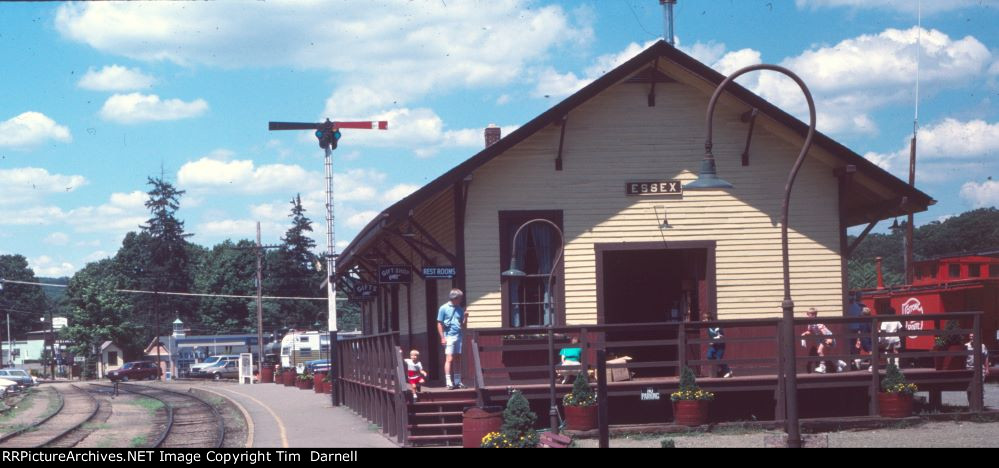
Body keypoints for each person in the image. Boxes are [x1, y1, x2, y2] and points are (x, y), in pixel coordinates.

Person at [801, 308, 847, 373]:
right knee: (827, 354)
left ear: (814, 315)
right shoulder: (810, 324)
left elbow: (824, 331)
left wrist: (828, 339)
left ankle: (823, 367)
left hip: (826, 337)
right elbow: (810, 331)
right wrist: (804, 334)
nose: (808, 315)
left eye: (810, 314)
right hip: (821, 338)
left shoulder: (818, 322)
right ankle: (839, 363)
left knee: (819, 351)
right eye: (808, 314)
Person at [437, 288, 467, 390]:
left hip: (458, 335)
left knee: (458, 358)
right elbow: (439, 323)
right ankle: (449, 382)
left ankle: (457, 381)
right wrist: (442, 337)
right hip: (448, 336)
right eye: (460, 298)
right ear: (455, 298)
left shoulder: (459, 308)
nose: (461, 300)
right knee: (449, 358)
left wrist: (466, 317)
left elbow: (463, 325)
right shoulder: (443, 308)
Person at [704, 311, 732, 378]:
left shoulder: (716, 326)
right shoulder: (708, 328)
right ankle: (722, 368)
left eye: (705, 319)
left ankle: (727, 370)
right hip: (713, 345)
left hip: (720, 345)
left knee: (718, 359)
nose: (704, 320)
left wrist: (714, 340)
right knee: (709, 355)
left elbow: (721, 336)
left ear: (709, 319)